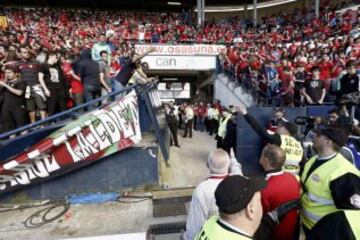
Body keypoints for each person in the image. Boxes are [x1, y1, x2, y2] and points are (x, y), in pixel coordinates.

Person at [195, 175, 300, 240]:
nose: (261, 204)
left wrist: (273, 217)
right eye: (259, 201)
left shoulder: (211, 223)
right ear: (251, 210)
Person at [300, 127, 360, 235]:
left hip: (325, 231)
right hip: (307, 224)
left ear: (328, 142)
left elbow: (351, 215)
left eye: (318, 136)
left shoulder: (345, 173)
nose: (314, 137)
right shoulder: (313, 160)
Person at [184, 149, 242, 240]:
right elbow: (237, 171)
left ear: (207, 165)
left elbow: (195, 227)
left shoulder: (201, 190)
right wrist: (233, 159)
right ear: (228, 166)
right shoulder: (239, 182)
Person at [236, 104, 304, 176]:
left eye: (280, 127)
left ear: (285, 130)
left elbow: (260, 129)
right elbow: (303, 164)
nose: (277, 128)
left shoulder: (280, 139)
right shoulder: (298, 144)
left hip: (280, 177)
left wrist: (245, 113)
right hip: (295, 179)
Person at [259, 145, 300, 240]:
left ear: (266, 160)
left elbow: (261, 219)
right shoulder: (292, 178)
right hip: (291, 232)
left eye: (261, 154)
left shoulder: (264, 188)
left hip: (273, 235)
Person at [16, 46, 47, 123]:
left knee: (42, 106)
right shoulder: (17, 64)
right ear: (20, 54)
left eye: (27, 52)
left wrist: (40, 84)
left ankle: (44, 122)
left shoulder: (36, 62)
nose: (27, 54)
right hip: (26, 89)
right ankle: (33, 124)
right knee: (30, 108)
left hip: (37, 87)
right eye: (24, 52)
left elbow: (42, 74)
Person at [0, 66, 28, 133]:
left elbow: (19, 93)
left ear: (16, 74)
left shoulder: (21, 82)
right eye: (6, 73)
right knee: (9, 128)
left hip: (18, 107)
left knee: (22, 127)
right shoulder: (4, 83)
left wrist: (5, 85)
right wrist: (4, 83)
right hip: (5, 108)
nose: (7, 74)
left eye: (9, 72)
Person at [39, 52, 67, 116]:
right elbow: (40, 78)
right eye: (56, 58)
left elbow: (61, 77)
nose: (57, 59)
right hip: (51, 89)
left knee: (63, 106)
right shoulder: (43, 65)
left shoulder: (57, 66)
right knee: (52, 107)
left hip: (60, 88)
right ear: (51, 56)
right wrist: (46, 89)